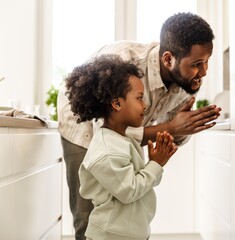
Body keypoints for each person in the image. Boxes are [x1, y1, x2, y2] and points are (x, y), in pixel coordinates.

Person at [57, 12, 221, 239]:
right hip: (82, 125)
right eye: (196, 64)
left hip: (124, 134)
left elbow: (167, 132)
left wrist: (183, 127)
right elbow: (107, 131)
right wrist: (172, 128)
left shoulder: (186, 81)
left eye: (206, 61)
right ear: (168, 59)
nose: (203, 72)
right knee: (88, 214)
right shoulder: (126, 66)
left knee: (126, 211)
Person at [65, 54, 177, 240]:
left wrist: (156, 163)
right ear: (117, 103)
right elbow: (129, 191)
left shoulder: (125, 140)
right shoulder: (107, 150)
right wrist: (155, 164)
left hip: (129, 232)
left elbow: (144, 184)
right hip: (111, 235)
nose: (146, 105)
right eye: (140, 98)